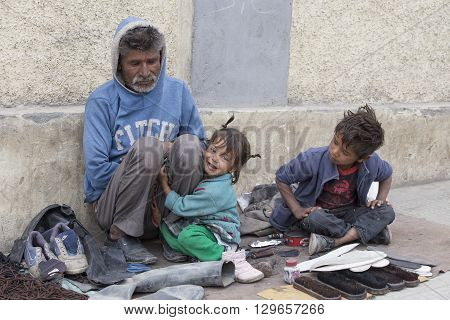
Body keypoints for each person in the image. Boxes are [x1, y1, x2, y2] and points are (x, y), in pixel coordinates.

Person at [83, 17, 205, 264]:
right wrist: (145, 166)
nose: (145, 72)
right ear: (119, 64)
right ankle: (121, 237)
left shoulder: (178, 91)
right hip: (116, 208)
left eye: (152, 61)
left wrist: (167, 160)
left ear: (162, 58)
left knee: (190, 145)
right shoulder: (102, 101)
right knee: (149, 149)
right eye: (135, 63)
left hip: (165, 203)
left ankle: (175, 233)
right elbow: (96, 172)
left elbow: (202, 147)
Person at [270, 104, 395, 255]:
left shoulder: (372, 162)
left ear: (361, 158)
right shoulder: (312, 158)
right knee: (314, 219)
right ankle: (366, 233)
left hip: (349, 213)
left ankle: (336, 241)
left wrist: (379, 199)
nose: (334, 151)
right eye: (335, 142)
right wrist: (297, 209)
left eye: (344, 152)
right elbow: (281, 178)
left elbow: (387, 176)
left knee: (387, 211)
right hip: (318, 214)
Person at [155, 117, 264, 283]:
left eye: (224, 158)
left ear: (234, 168)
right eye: (213, 150)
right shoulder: (212, 176)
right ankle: (198, 253)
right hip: (203, 224)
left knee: (186, 237)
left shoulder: (215, 191)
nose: (214, 158)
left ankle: (230, 259)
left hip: (220, 234)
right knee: (165, 229)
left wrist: (164, 185)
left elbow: (183, 207)